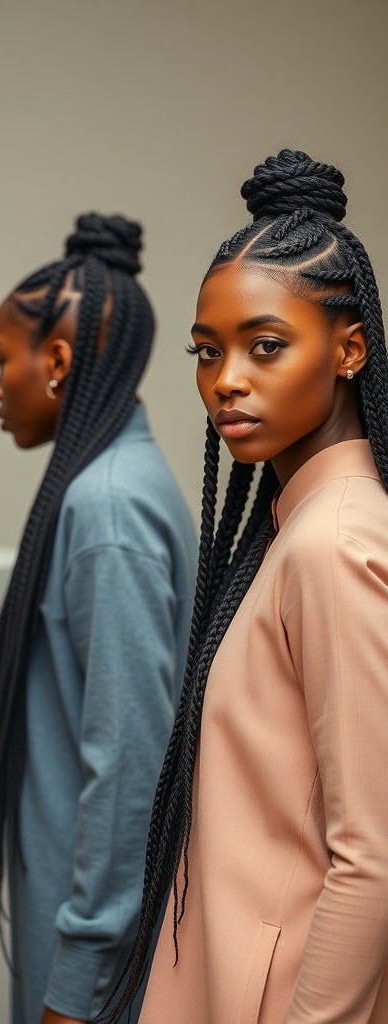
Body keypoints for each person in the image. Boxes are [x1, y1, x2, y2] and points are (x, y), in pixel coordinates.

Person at [105, 149, 388, 1024]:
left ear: (348, 349)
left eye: (266, 345)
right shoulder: (293, 530)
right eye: (207, 351)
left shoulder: (336, 542)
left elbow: (372, 854)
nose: (225, 379)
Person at [0, 213, 197, 1024]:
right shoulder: (108, 484)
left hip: (91, 976)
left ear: (57, 362)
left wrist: (76, 990)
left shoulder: (107, 508)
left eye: (3, 361)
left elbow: (130, 766)